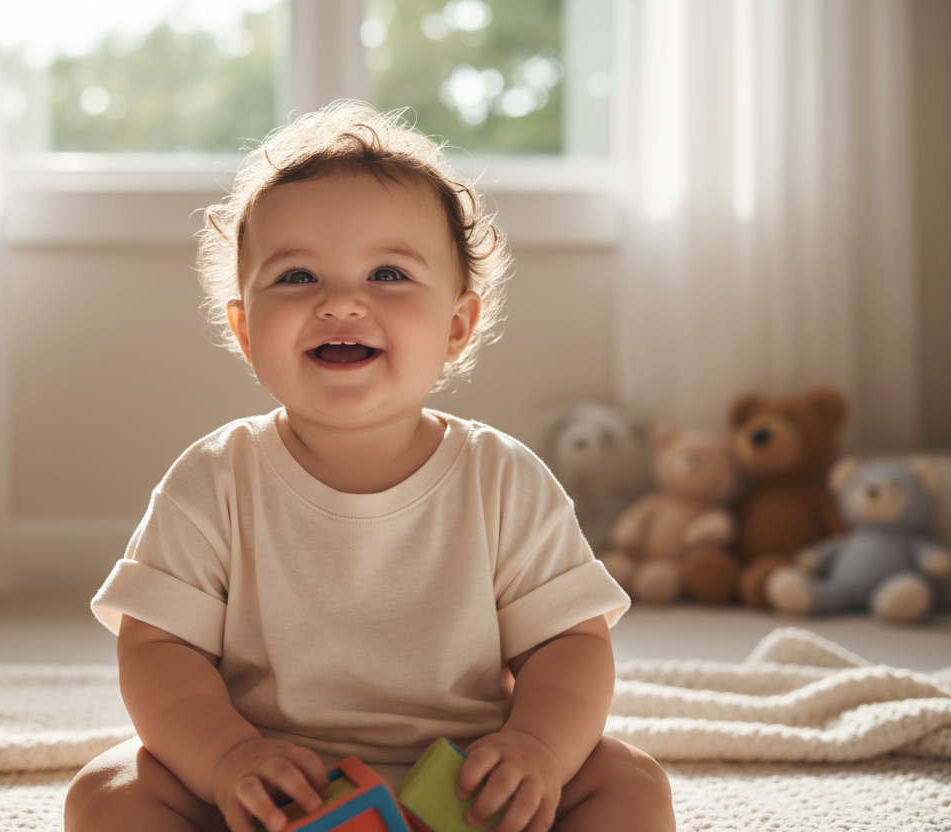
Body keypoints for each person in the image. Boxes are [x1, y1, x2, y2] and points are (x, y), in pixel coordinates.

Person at [64, 100, 675, 832]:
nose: (342, 302)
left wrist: (536, 747)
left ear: (456, 325)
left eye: (388, 273)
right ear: (245, 328)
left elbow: (570, 643)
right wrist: (227, 760)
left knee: (629, 780)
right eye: (296, 278)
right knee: (107, 791)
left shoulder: (504, 479)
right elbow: (158, 648)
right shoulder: (214, 478)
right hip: (276, 795)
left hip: (466, 791)